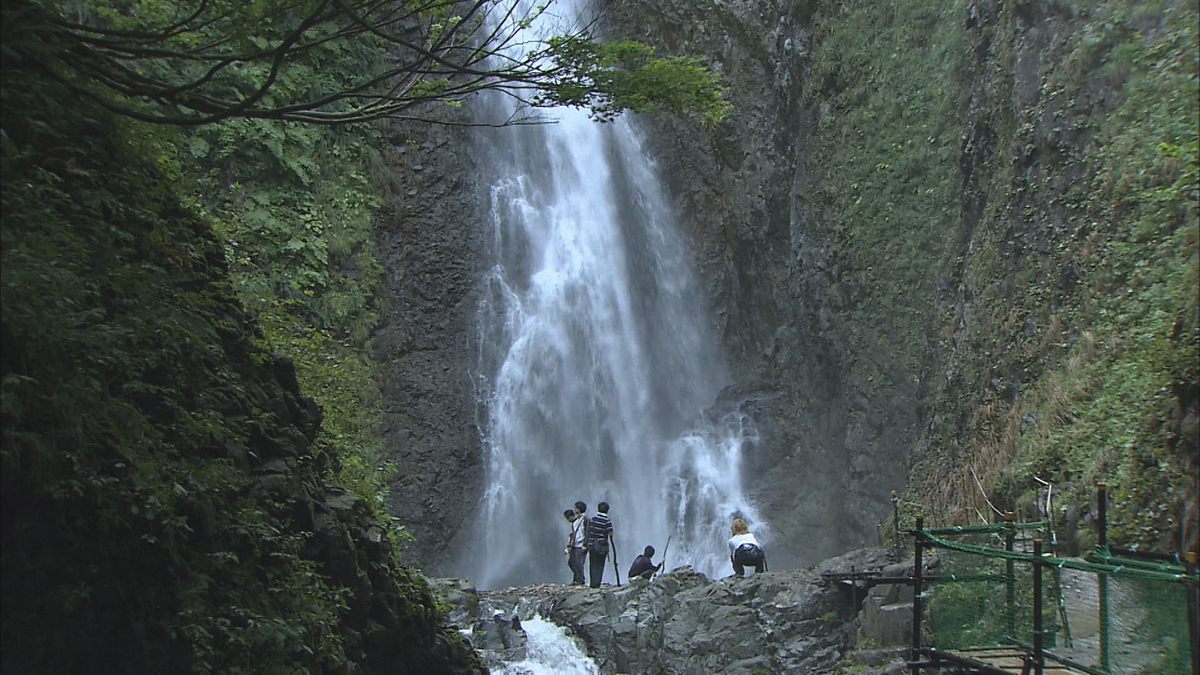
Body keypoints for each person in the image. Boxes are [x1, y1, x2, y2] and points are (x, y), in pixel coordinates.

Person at [587, 501, 614, 588]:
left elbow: (589, 532)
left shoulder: (592, 519)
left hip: (592, 545)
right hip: (601, 546)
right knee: (600, 565)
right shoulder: (607, 520)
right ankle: (596, 583)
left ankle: (592, 582)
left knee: (592, 564)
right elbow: (610, 533)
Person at [568, 501, 589, 585]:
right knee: (572, 562)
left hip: (581, 545)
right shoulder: (576, 520)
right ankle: (577, 579)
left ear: (579, 509)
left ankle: (580, 580)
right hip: (575, 544)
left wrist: (585, 544)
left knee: (579, 563)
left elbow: (587, 532)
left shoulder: (585, 519)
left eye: (575, 508)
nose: (574, 509)